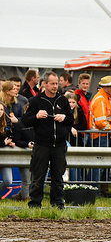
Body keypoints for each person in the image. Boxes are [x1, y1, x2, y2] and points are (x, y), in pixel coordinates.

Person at [22, 72, 73, 209]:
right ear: (45, 84)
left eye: (57, 83)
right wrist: (37, 116)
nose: (55, 86)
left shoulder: (63, 100)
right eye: (52, 83)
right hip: (42, 145)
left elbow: (71, 120)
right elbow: (25, 121)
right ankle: (35, 204)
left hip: (59, 145)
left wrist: (64, 118)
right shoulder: (36, 101)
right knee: (38, 176)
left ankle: (57, 204)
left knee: (58, 177)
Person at [90, 75, 111, 196]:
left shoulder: (104, 98)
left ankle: (98, 189)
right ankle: (95, 190)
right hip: (100, 134)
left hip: (102, 134)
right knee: (99, 164)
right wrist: (110, 130)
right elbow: (101, 122)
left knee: (100, 164)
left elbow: (106, 118)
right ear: (105, 87)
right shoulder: (101, 99)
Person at [0, 103, 16, 197]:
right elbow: (3, 141)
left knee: (8, 180)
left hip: (5, 156)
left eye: (2, 110)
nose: (0, 112)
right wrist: (4, 143)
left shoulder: (7, 121)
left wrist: (11, 142)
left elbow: (11, 136)